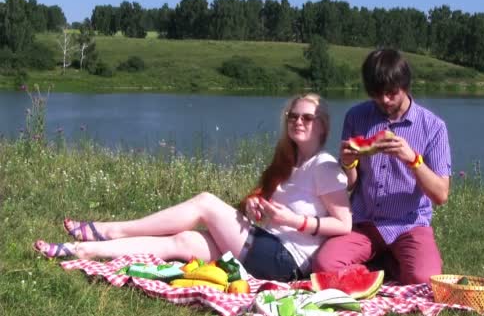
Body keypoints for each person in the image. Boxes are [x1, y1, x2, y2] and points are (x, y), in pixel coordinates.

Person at [34, 93, 352, 282]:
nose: (298, 121)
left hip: (287, 261)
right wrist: (254, 205)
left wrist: (294, 222)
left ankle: (113, 230)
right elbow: (268, 205)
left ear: (321, 124)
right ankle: (84, 250)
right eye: (293, 116)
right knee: (183, 241)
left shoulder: (324, 167)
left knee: (205, 203)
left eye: (307, 118)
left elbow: (344, 224)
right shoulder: (287, 160)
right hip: (267, 243)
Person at [312, 49, 451, 285]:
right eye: (377, 94)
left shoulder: (433, 127)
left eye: (391, 93)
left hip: (409, 224)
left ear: (405, 86)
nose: (384, 101)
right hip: (366, 222)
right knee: (324, 265)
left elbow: (441, 195)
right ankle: (384, 265)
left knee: (424, 278)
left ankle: (382, 262)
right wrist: (347, 163)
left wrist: (413, 160)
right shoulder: (356, 116)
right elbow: (351, 184)